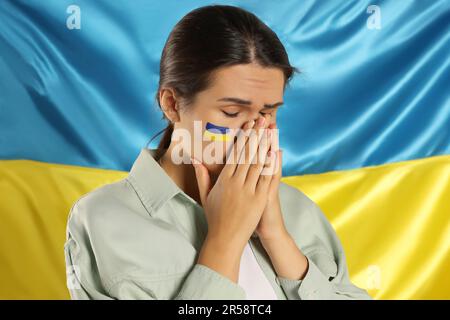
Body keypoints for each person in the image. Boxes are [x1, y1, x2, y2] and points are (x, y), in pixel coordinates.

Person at [64, 4, 372, 300]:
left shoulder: (298, 211)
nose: (253, 132)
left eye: (268, 112)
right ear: (172, 104)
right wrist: (225, 240)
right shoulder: (103, 220)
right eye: (231, 111)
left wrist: (277, 237)